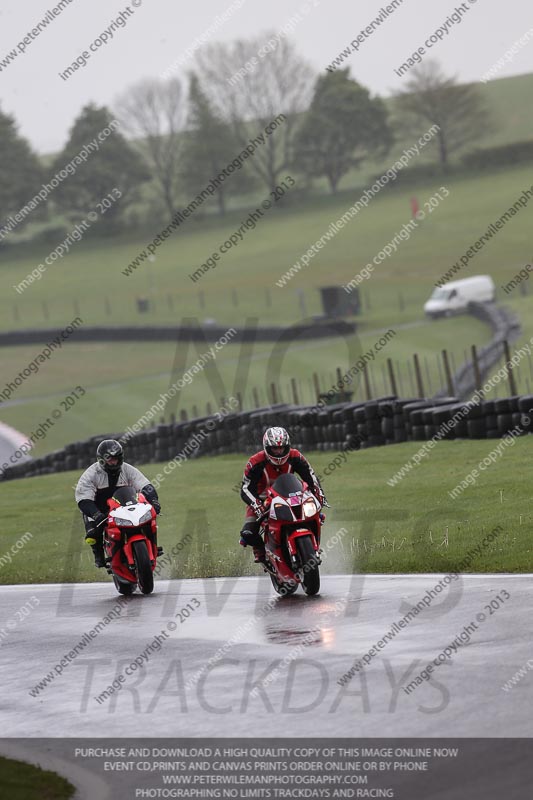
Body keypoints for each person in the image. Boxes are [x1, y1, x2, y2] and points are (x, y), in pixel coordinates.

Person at [239, 426, 325, 563]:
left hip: (291, 496)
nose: (279, 452)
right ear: (267, 447)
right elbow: (245, 488)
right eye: (275, 448)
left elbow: (311, 477)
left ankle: (314, 546)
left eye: (282, 448)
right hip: (262, 500)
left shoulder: (296, 456)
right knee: (248, 532)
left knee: (316, 515)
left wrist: (319, 494)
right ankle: (261, 551)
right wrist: (256, 504)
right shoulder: (255, 462)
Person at [75, 439, 161, 567]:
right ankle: (99, 555)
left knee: (148, 519)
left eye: (116, 458)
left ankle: (153, 546)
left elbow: (145, 485)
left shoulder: (128, 469)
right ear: (101, 460)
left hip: (125, 506)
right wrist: (96, 514)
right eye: (110, 459)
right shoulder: (90, 475)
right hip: (98, 510)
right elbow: (83, 499)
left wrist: (154, 500)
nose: (113, 462)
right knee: (93, 534)